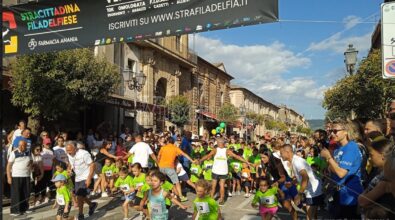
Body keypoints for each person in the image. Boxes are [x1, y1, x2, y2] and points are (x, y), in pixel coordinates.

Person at [320, 120, 363, 219]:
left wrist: (329, 158)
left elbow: (341, 173)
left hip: (350, 195)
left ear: (346, 131)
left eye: (335, 131)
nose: (332, 134)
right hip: (338, 193)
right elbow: (334, 170)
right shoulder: (338, 149)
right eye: (331, 131)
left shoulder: (351, 148)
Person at [199, 137, 250, 205]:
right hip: (223, 171)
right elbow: (236, 156)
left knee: (213, 186)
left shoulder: (215, 150)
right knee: (221, 185)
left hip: (216, 171)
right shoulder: (227, 150)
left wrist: (200, 160)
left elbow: (207, 156)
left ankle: (211, 199)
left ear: (220, 143)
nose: (216, 143)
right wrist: (246, 161)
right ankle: (221, 200)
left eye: (217, 142)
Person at [280, 144, 323, 220]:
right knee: (313, 215)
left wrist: (299, 194)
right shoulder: (294, 160)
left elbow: (305, 178)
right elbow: (300, 177)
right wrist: (292, 183)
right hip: (311, 190)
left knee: (309, 217)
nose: (281, 155)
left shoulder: (297, 162)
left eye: (281, 153)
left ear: (287, 152)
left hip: (313, 191)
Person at [358, 136, 395, 219]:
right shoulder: (377, 172)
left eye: (371, 155)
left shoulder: (385, 180)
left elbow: (362, 201)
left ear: (382, 156)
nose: (370, 158)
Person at [65, 141, 97, 220]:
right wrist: (69, 169)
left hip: (86, 177)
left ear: (75, 148)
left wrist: (89, 178)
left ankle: (80, 215)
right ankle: (92, 205)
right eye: (67, 150)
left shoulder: (84, 153)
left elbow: (92, 165)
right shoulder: (69, 154)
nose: (68, 152)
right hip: (77, 178)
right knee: (81, 195)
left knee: (79, 196)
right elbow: (71, 164)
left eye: (70, 150)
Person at [157, 136, 195, 202]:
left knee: (162, 181)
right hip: (169, 167)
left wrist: (158, 165)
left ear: (168, 142)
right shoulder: (175, 148)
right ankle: (180, 196)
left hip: (161, 167)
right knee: (176, 182)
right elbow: (184, 154)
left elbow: (158, 157)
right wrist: (192, 161)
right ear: (173, 142)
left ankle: (160, 195)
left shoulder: (163, 148)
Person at [7, 140, 33, 216]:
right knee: (16, 194)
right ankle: (15, 211)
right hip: (16, 176)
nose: (21, 147)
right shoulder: (14, 153)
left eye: (23, 145)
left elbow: (31, 161)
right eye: (20, 145)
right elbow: (8, 166)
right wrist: (9, 177)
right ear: (18, 145)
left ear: (26, 146)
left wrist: (30, 164)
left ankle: (24, 208)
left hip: (26, 175)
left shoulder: (28, 152)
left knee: (26, 193)